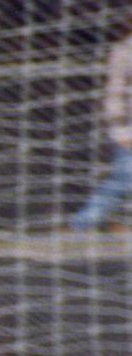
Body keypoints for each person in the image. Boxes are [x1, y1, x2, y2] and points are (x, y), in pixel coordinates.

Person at [70, 24, 132, 232]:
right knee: (125, 177)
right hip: (128, 127)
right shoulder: (124, 51)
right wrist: (120, 129)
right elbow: (114, 93)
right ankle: (84, 221)